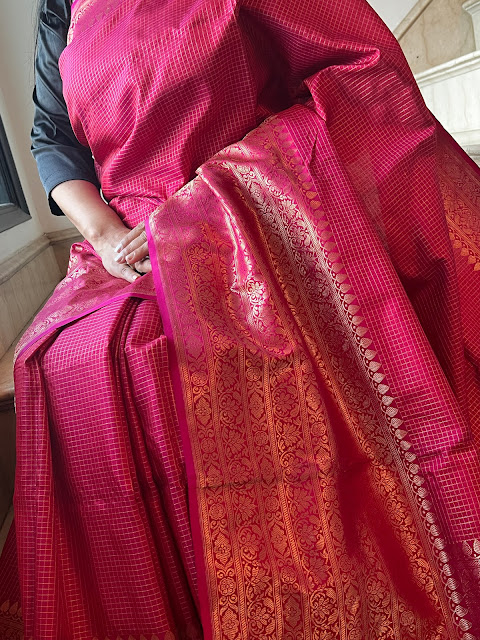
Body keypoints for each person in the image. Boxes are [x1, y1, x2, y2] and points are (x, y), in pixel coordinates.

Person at [2, 0, 480, 637]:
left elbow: (355, 66)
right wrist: (110, 235)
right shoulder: (60, 8)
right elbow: (51, 138)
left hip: (251, 204)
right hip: (123, 237)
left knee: (203, 346)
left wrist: (216, 193)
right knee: (68, 359)